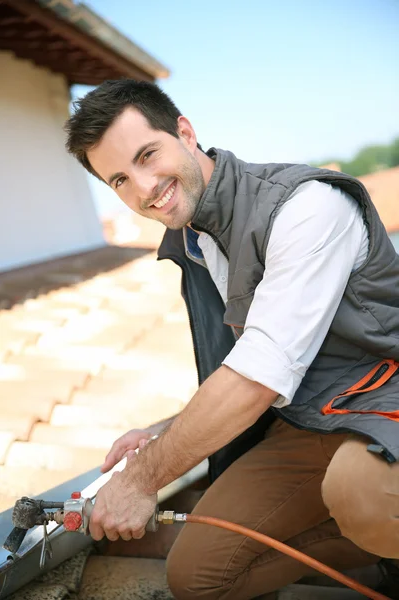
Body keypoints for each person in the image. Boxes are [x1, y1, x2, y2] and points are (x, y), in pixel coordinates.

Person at [65, 79, 399, 600]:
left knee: (364, 494)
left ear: (185, 131)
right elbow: (248, 362)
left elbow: (257, 377)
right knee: (197, 577)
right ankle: (372, 552)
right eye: (119, 180)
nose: (144, 188)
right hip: (303, 420)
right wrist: (166, 431)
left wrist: (141, 480)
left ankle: (378, 533)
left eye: (148, 155)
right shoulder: (192, 241)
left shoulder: (306, 206)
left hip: (383, 403)